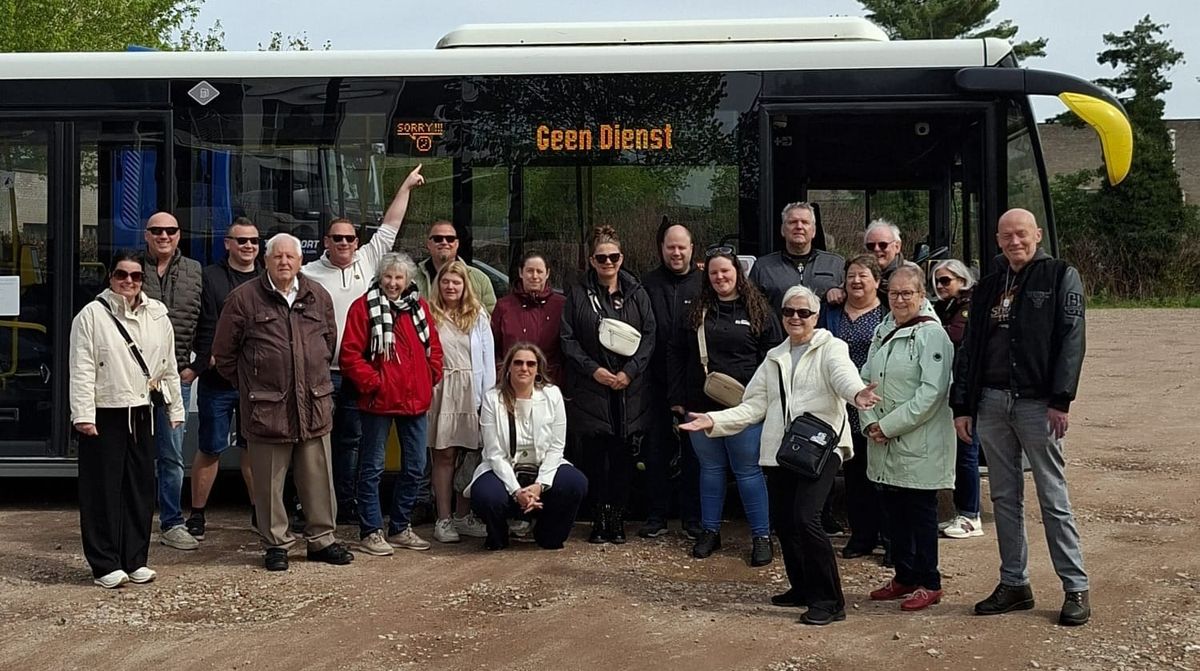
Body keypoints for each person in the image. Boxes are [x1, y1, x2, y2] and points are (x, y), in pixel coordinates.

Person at [680, 285, 878, 626]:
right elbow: (753, 405)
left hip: (821, 447)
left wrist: (856, 393)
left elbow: (843, 375)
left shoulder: (831, 347)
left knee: (806, 518)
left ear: (816, 317)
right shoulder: (774, 357)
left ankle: (830, 601)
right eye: (789, 312)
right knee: (785, 521)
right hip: (781, 452)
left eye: (804, 312)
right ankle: (801, 587)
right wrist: (714, 419)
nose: (796, 318)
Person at [952, 208, 1090, 626]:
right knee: (1004, 498)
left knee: (1053, 498)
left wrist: (1061, 399)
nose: (1015, 242)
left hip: (1037, 403)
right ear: (997, 240)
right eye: (1007, 235)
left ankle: (1076, 587)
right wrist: (963, 405)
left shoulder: (1060, 275)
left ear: (1037, 235)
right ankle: (1015, 583)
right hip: (991, 403)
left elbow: (1072, 338)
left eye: (1022, 234)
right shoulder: (990, 285)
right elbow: (970, 347)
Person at [213, 233, 354, 571]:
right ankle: (276, 543)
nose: (284, 262)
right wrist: (252, 385)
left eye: (291, 257)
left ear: (300, 261)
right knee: (269, 482)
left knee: (318, 477)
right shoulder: (244, 299)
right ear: (266, 261)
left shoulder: (317, 295)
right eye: (277, 257)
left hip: (313, 403)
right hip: (268, 408)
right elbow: (224, 353)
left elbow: (328, 340)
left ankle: (322, 540)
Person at [301, 165, 425, 525]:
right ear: (326, 241)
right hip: (322, 373)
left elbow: (391, 225)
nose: (343, 243)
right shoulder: (307, 274)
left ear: (357, 242)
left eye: (350, 238)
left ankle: (348, 504)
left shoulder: (370, 262)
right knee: (317, 443)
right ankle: (317, 506)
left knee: (352, 443)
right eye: (337, 238)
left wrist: (404, 185)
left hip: (358, 374)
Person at [70, 251, 185, 588]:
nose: (129, 282)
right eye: (122, 275)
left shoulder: (157, 313)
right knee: (102, 491)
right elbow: (82, 368)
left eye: (136, 276)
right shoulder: (90, 316)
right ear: (110, 277)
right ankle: (104, 563)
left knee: (139, 489)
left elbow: (168, 366)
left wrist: (175, 409)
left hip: (141, 410)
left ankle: (135, 558)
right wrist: (83, 415)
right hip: (105, 410)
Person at [668, 248, 782, 565]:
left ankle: (761, 536)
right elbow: (676, 354)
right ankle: (710, 531)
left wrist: (768, 402)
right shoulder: (696, 311)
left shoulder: (759, 311)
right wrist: (677, 398)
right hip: (701, 404)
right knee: (711, 471)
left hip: (745, 408)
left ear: (738, 274)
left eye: (726, 271)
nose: (721, 277)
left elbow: (773, 358)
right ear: (708, 277)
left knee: (748, 472)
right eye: (714, 273)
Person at [860, 262, 956, 613]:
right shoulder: (883, 328)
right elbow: (865, 378)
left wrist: (887, 427)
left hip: (918, 442)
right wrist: (869, 419)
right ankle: (904, 575)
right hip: (882, 439)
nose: (899, 300)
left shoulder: (933, 335)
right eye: (893, 293)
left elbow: (930, 395)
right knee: (894, 510)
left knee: (920, 513)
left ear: (922, 294)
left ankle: (929, 581)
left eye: (907, 293)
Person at [339, 252, 444, 555]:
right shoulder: (363, 308)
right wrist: (375, 383)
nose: (393, 283)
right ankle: (370, 530)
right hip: (378, 402)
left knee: (415, 467)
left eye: (399, 277)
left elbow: (433, 348)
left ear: (409, 280)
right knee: (371, 468)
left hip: (415, 401)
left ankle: (400, 526)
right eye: (388, 276)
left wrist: (430, 375)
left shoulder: (419, 308)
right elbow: (350, 356)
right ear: (380, 277)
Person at [560, 225, 656, 544]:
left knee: (623, 461)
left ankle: (617, 519)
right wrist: (593, 371)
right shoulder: (577, 294)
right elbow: (568, 339)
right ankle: (598, 519)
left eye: (613, 257)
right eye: (602, 258)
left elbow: (650, 336)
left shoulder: (637, 292)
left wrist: (630, 371)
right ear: (591, 260)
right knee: (595, 460)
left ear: (622, 258)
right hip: (593, 390)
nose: (608, 262)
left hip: (629, 391)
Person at [466, 343, 589, 550]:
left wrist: (540, 484)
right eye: (519, 363)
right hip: (504, 467)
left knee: (575, 483)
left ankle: (548, 533)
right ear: (509, 368)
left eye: (531, 364)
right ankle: (497, 536)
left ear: (538, 369)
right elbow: (494, 453)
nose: (524, 368)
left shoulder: (552, 395)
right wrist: (516, 491)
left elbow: (556, 447)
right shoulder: (492, 398)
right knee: (485, 494)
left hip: (542, 467)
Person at [185, 217, 262, 541]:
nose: (248, 246)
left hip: (257, 383)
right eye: (241, 241)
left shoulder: (267, 279)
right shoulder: (209, 278)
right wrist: (204, 360)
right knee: (210, 447)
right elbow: (196, 323)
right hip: (217, 382)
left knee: (254, 450)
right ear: (227, 244)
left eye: (254, 241)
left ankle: (261, 515)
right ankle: (197, 515)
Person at [819, 254, 890, 561]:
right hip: (843, 407)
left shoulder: (889, 313)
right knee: (855, 476)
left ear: (877, 281)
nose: (856, 281)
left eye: (863, 276)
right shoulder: (831, 313)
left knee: (885, 476)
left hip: (880, 404)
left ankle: (890, 539)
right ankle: (861, 537)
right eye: (851, 276)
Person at [139, 212, 202, 552]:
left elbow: (207, 322)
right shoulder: (129, 268)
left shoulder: (195, 271)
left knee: (172, 453)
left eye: (170, 230)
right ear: (146, 234)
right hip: (132, 379)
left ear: (179, 235)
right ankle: (131, 519)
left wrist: (197, 366)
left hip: (176, 377)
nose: (164, 235)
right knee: (132, 453)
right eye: (157, 231)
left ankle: (172, 522)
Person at [640, 222, 703, 539]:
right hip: (654, 381)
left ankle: (693, 519)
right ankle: (656, 517)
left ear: (692, 249)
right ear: (661, 248)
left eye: (682, 247)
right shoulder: (647, 284)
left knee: (695, 454)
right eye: (670, 247)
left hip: (694, 384)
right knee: (656, 452)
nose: (676, 252)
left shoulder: (704, 285)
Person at [427, 260, 496, 543]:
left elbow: (488, 359)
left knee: (470, 454)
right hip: (441, 389)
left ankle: (462, 516)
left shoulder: (477, 315)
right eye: (446, 282)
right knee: (444, 455)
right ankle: (443, 520)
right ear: (438, 285)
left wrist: (488, 398)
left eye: (456, 282)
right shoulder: (429, 313)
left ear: (465, 285)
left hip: (472, 390)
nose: (451, 287)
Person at [931, 258, 983, 540]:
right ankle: (960, 512)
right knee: (957, 455)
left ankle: (971, 516)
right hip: (951, 390)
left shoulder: (969, 308)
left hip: (967, 391)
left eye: (946, 280)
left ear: (962, 281)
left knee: (967, 454)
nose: (940, 286)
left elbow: (954, 338)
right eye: (937, 281)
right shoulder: (944, 308)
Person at [749, 201, 845, 315]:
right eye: (792, 222)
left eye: (805, 222)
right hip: (779, 332)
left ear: (813, 231)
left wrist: (841, 291)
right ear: (783, 230)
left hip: (825, 332)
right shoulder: (763, 267)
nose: (799, 226)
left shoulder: (836, 264)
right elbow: (750, 307)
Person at [491, 251, 566, 383]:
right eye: (530, 271)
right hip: (511, 383)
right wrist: (500, 373)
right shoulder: (504, 306)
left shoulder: (561, 305)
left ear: (547, 274)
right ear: (521, 273)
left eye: (539, 271)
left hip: (551, 383)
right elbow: (494, 347)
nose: (534, 276)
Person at [414, 220, 498, 312]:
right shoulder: (412, 279)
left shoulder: (480, 279)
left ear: (457, 244)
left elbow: (492, 318)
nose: (444, 242)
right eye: (438, 238)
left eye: (450, 239)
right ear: (428, 244)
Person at [825, 219, 905, 307]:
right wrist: (834, 291)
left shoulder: (910, 273)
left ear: (897, 247)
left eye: (883, 245)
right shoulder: (857, 272)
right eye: (871, 246)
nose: (877, 249)